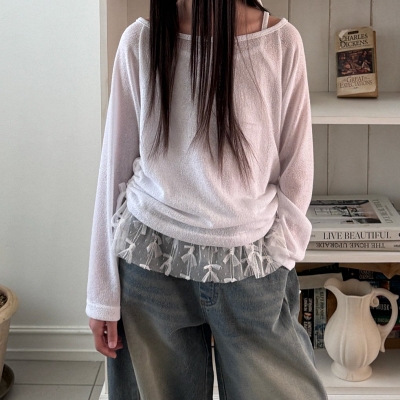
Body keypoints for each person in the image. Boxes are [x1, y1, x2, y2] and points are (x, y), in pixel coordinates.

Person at [86, 0, 328, 399]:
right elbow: (113, 170)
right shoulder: (141, 41)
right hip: (151, 264)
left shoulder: (280, 42)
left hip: (249, 268)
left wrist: (280, 253)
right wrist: (101, 295)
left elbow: (297, 172)